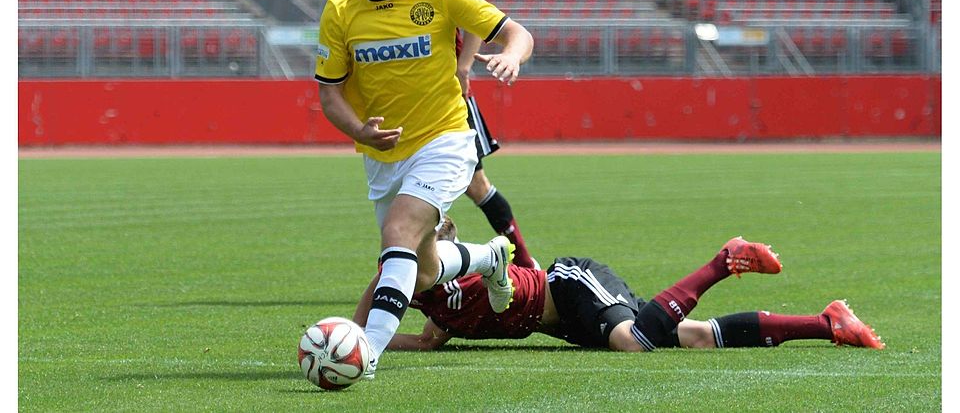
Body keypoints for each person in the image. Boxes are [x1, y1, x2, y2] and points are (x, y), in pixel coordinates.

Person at [315, 0, 534, 378]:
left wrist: (512, 56)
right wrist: (359, 130)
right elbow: (329, 94)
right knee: (425, 271)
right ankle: (491, 257)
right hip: (383, 157)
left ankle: (367, 353)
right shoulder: (339, 10)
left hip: (445, 141)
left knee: (397, 231)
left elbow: (517, 33)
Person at [355, 217, 884, 353]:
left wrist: (431, 235)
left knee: (634, 342)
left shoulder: (454, 262)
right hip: (568, 325)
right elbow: (426, 339)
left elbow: (439, 245)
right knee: (694, 337)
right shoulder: (427, 303)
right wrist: (357, 339)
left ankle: (724, 261)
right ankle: (827, 323)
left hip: (569, 284)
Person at [366, 0, 536, 268]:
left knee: (476, 184)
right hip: (402, 101)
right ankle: (447, 252)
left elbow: (475, 13)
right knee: (428, 191)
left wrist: (463, 67)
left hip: (443, 95)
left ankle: (523, 263)